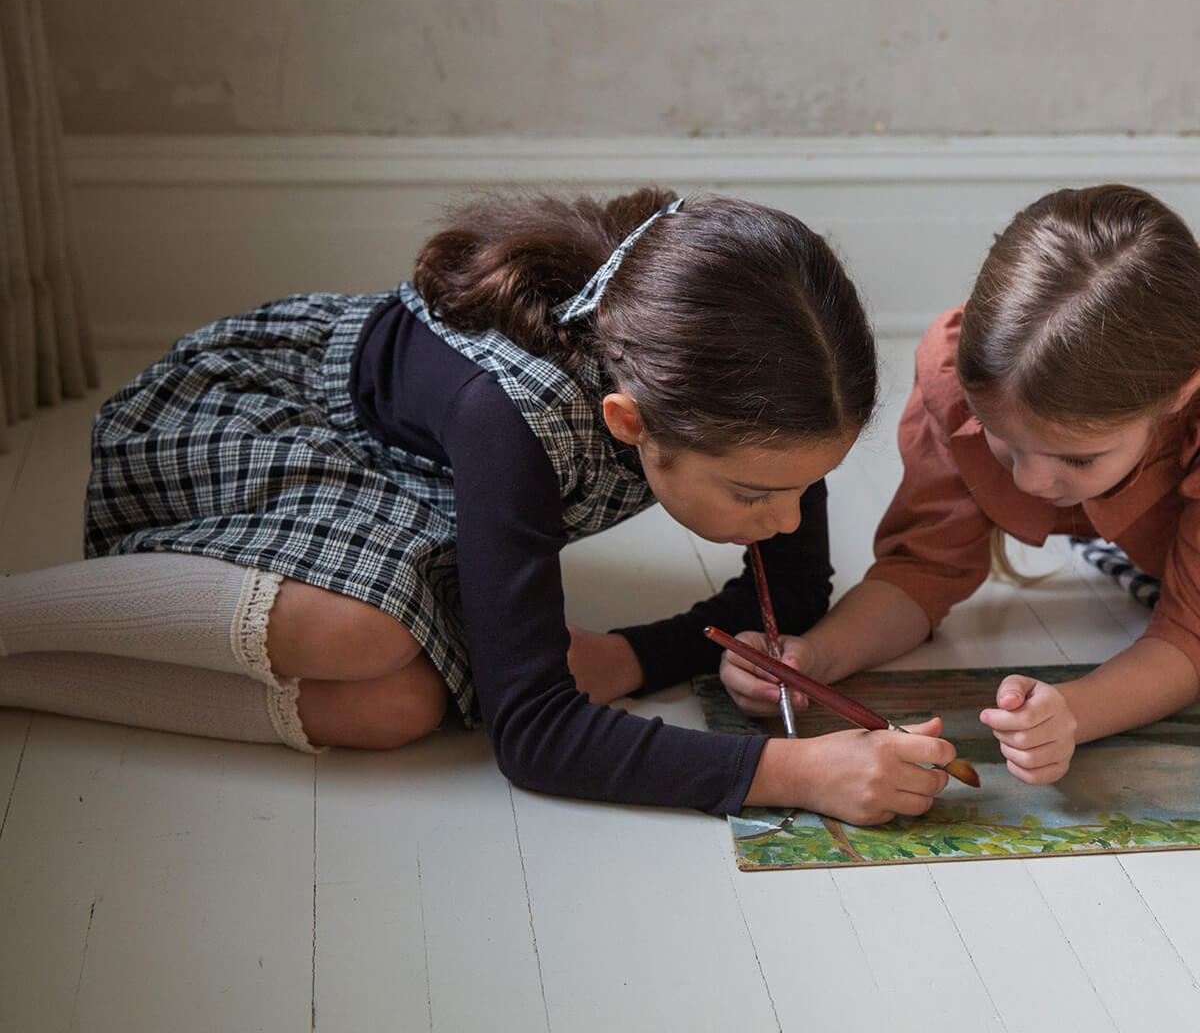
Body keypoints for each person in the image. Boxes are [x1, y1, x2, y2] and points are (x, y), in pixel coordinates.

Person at [0, 188, 957, 825]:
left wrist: (629, 657)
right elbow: (534, 739)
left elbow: (786, 596)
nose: (788, 520)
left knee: (402, 707)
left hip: (423, 486)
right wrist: (794, 774)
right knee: (358, 636)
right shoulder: (513, 417)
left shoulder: (766, 398)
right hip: (273, 425)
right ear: (630, 424)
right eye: (755, 495)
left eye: (807, 486)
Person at [721, 183, 1200, 786]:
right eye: (1002, 439)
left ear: (1180, 396)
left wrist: (1075, 712)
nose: (1028, 479)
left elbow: (1189, 636)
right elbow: (922, 571)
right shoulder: (970, 385)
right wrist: (814, 656)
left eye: (1078, 459)